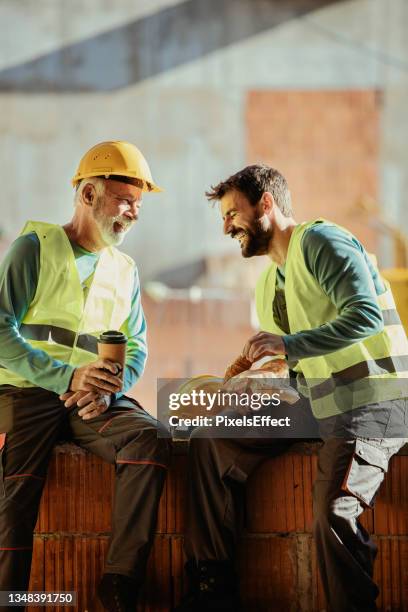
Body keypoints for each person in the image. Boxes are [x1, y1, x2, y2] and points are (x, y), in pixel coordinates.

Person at [176, 164, 408, 612]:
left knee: (334, 510)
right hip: (318, 403)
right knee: (211, 440)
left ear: (266, 203)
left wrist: (287, 344)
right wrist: (267, 374)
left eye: (232, 213)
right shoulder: (267, 284)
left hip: (374, 402)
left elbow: (365, 317)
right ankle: (212, 591)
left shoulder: (322, 241)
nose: (226, 226)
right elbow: (304, 354)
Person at [0, 141, 171, 612]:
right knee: (16, 494)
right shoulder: (33, 248)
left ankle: (119, 586)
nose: (133, 213)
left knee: (149, 440)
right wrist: (65, 377)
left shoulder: (126, 270)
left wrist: (112, 384)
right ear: (88, 193)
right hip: (26, 389)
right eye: (124, 199)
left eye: (138, 204)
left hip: (89, 399)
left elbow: (136, 345)